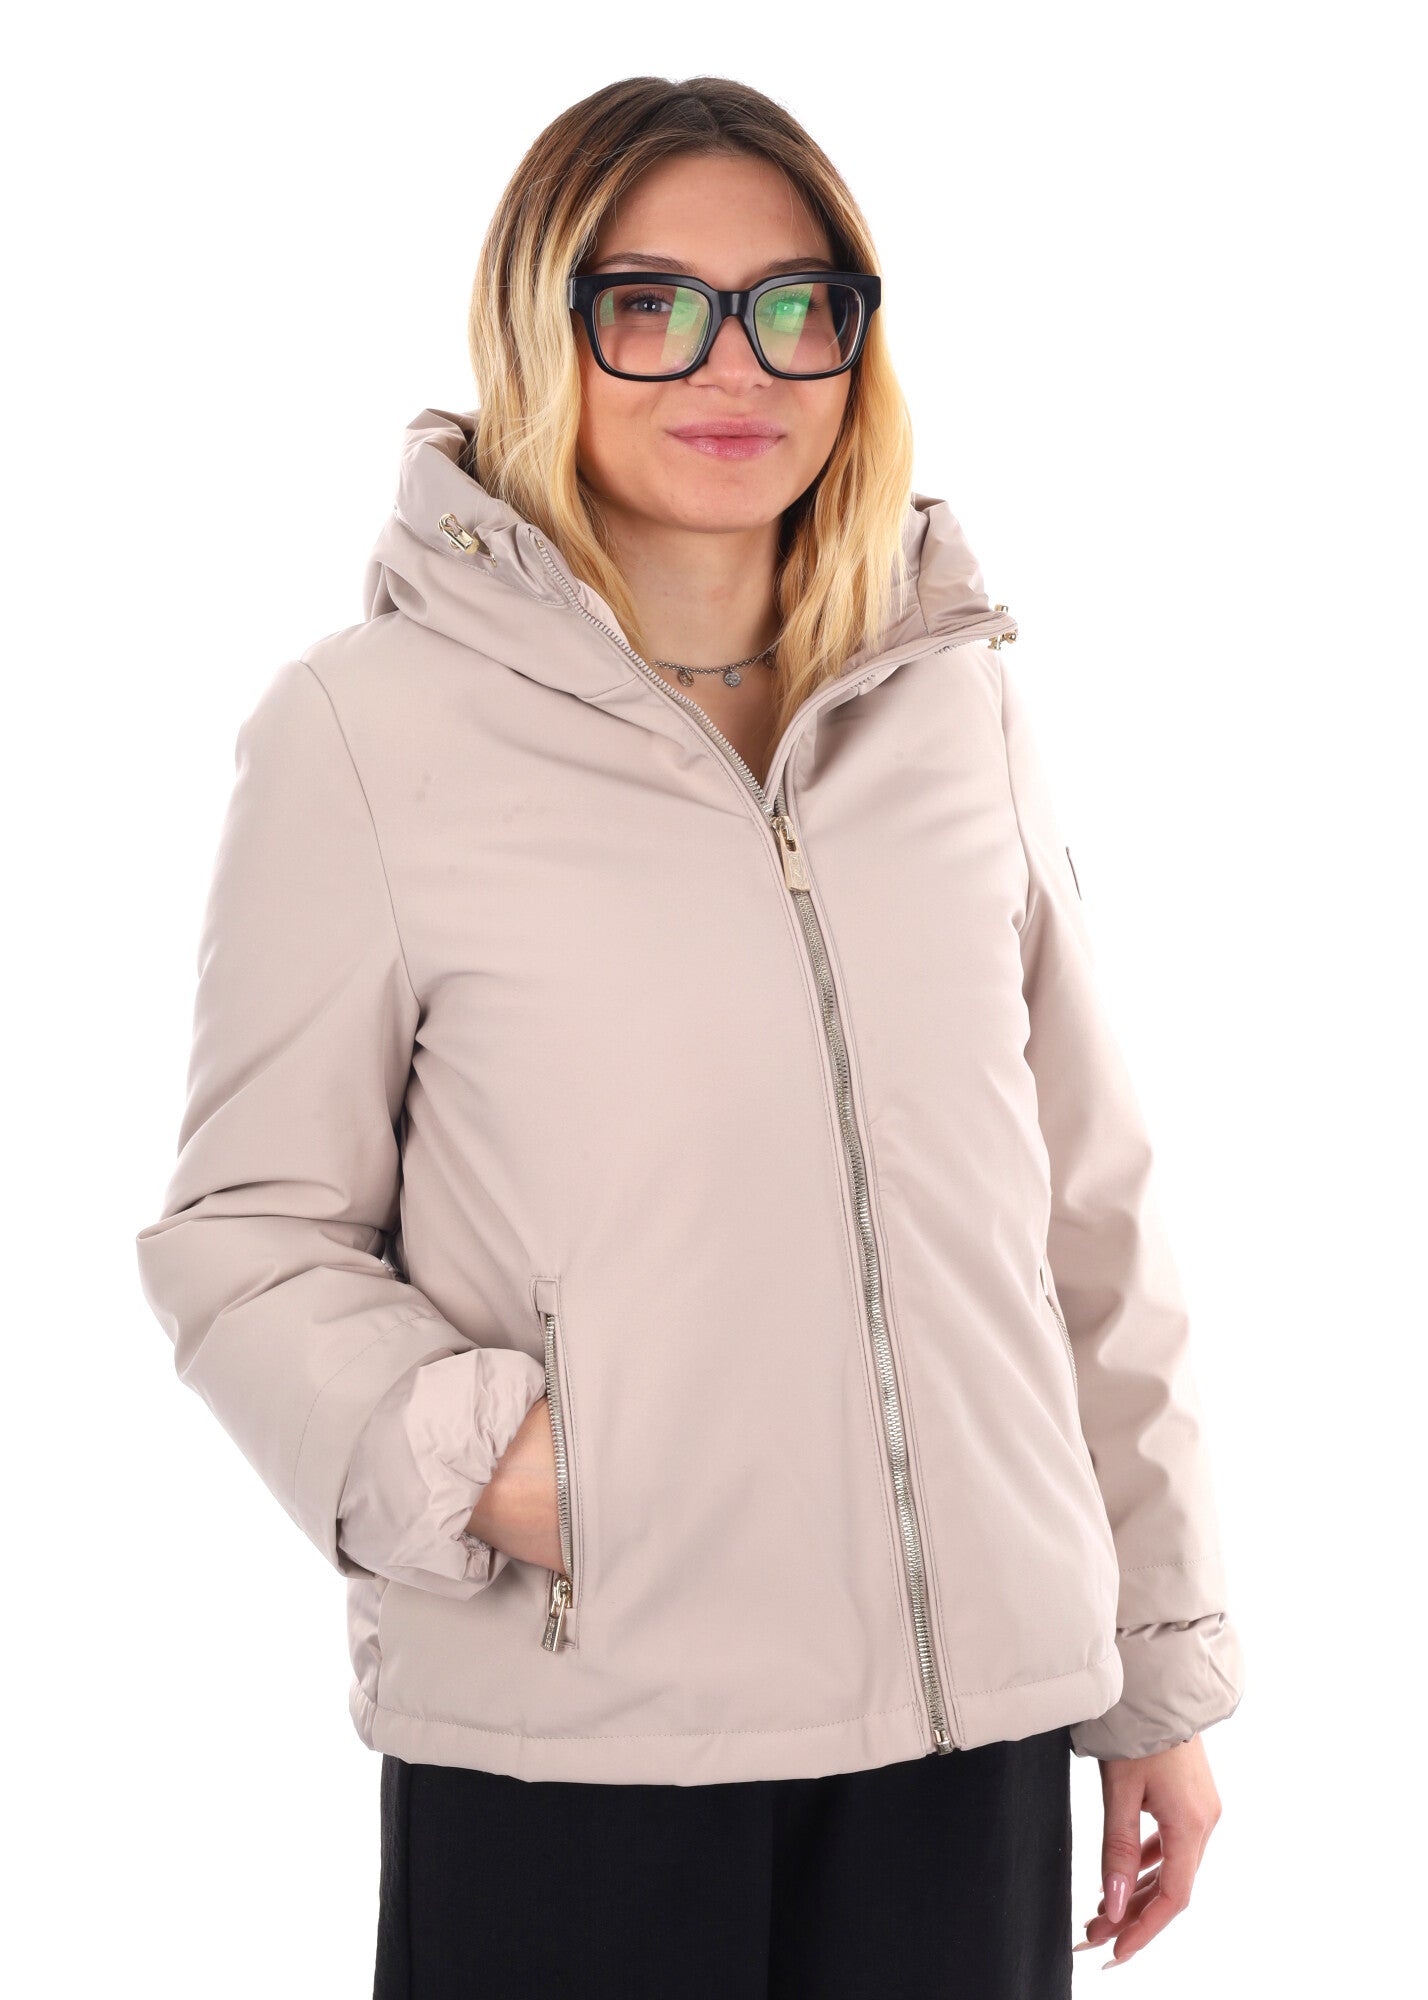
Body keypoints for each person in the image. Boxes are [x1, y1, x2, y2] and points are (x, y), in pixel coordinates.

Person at [134, 74, 1245, 1999]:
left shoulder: (952, 700)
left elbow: (1086, 1210)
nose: (737, 362)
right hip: (583, 1750)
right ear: (540, 328)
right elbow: (244, 1235)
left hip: (970, 1734)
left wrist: (1158, 1668)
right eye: (649, 304)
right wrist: (508, 1467)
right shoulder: (364, 731)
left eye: (798, 304)